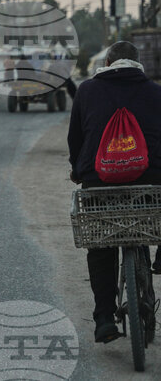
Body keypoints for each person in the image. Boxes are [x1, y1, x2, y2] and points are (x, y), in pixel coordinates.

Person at [67, 41, 161, 343]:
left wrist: (78, 170)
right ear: (138, 63)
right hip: (150, 183)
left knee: (102, 244)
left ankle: (104, 317)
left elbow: (75, 139)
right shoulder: (156, 92)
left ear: (107, 62)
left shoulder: (87, 90)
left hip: (100, 181)